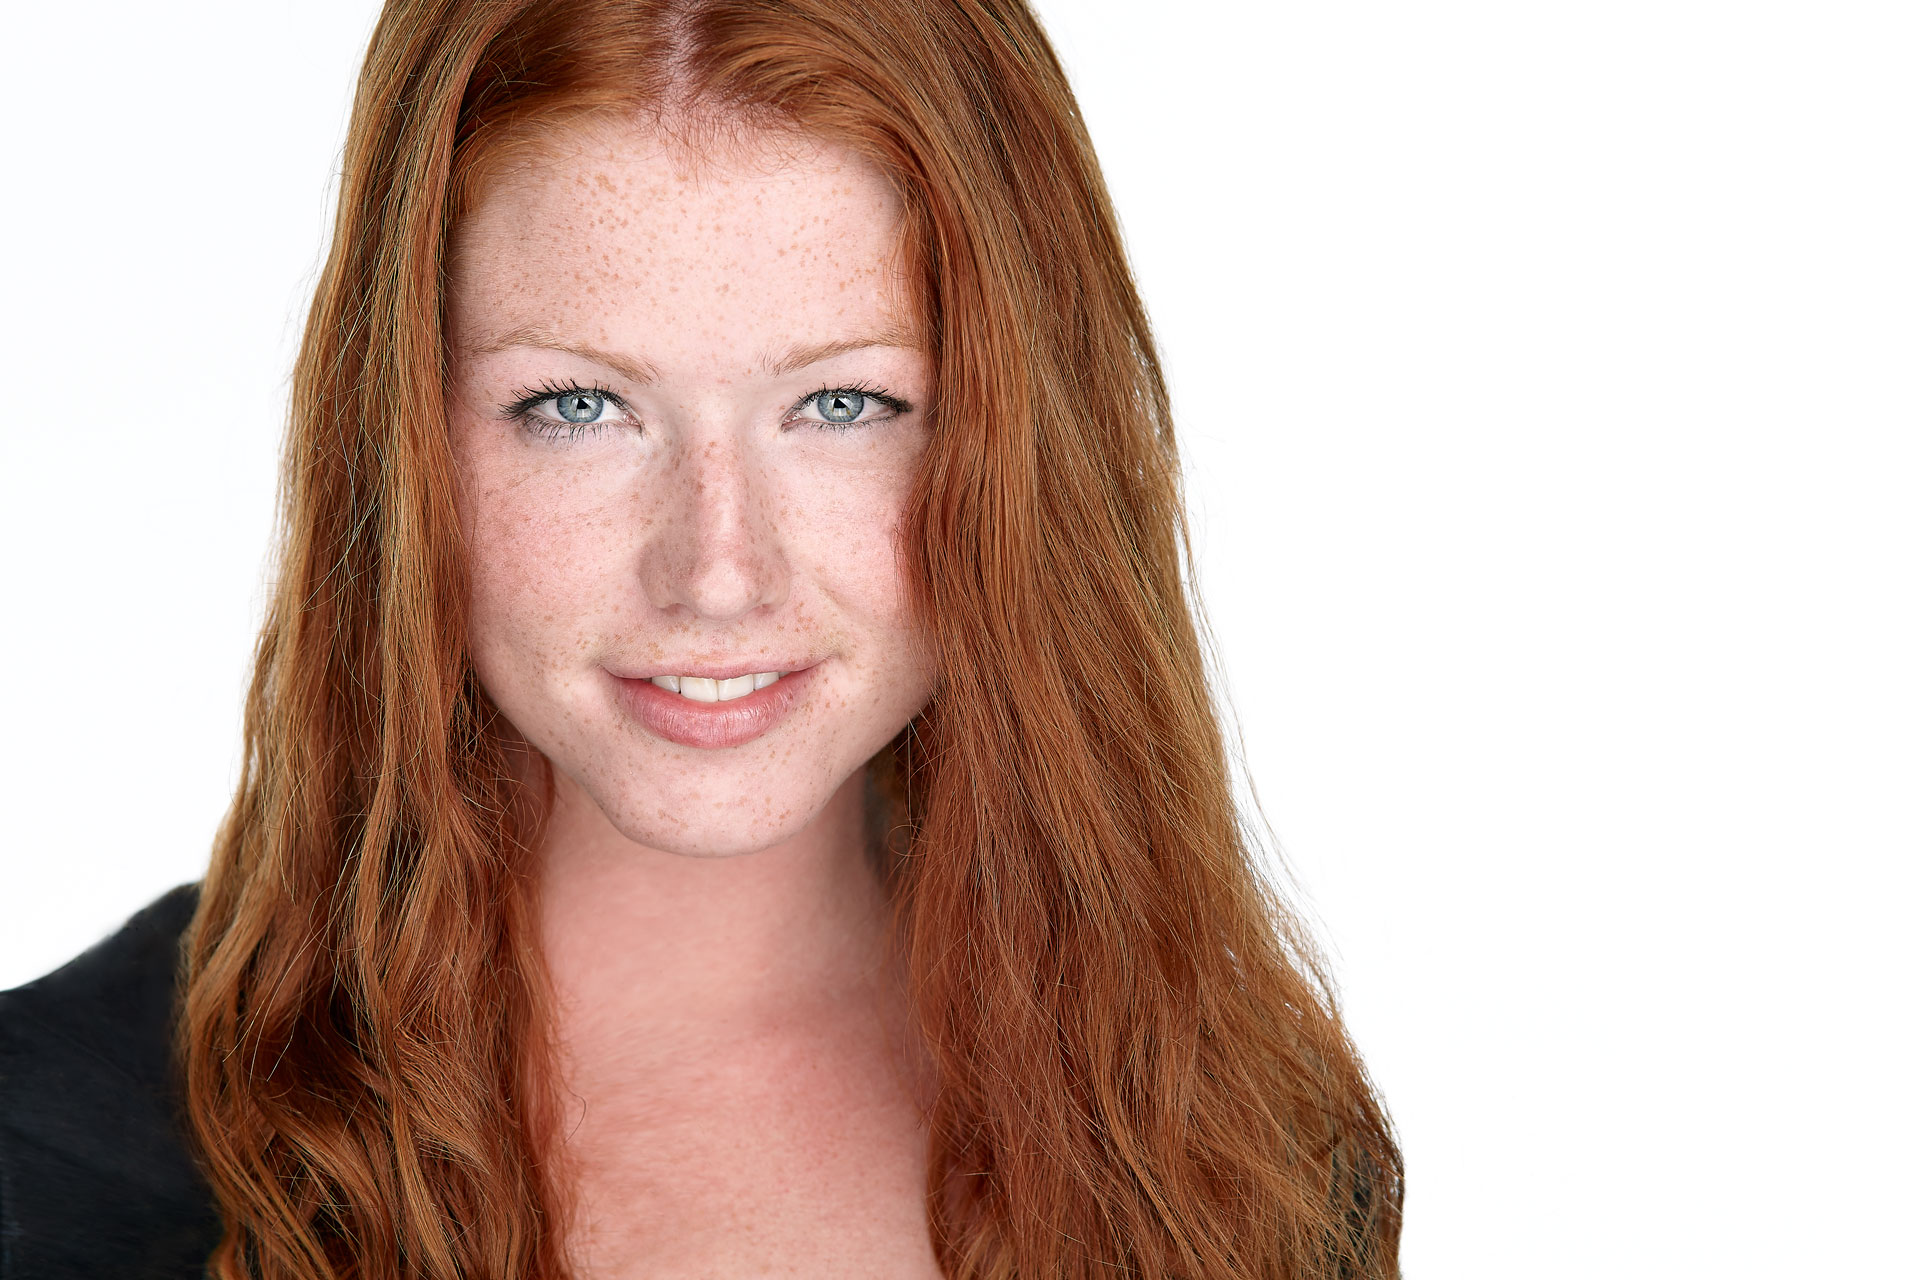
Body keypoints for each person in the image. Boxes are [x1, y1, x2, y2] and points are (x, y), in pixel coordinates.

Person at [0, 0, 1403, 1276]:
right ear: (404, 433)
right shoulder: (53, 1162)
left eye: (844, 404)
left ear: (1025, 439)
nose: (718, 574)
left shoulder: (1242, 1146)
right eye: (577, 406)